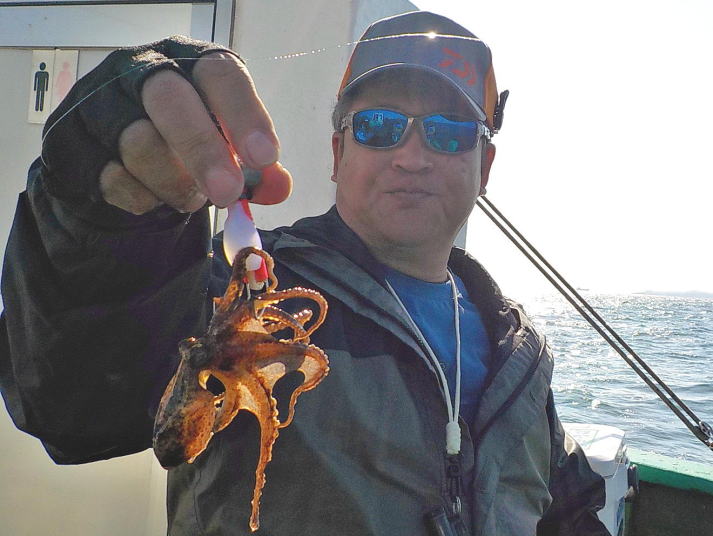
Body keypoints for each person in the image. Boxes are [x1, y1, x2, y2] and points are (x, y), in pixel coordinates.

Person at [0, 10, 609, 536]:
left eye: (449, 134)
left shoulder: (516, 350)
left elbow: (564, 505)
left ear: (485, 166)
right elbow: (77, 403)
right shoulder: (245, 288)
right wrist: (95, 216)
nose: (412, 156)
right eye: (378, 127)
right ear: (339, 153)